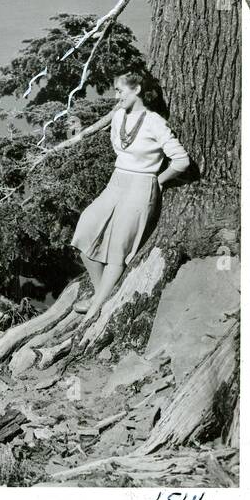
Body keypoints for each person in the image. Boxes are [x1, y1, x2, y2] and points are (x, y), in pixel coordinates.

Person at [71, 69, 190, 317]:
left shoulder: (155, 122)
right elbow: (119, 147)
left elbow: (181, 160)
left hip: (141, 186)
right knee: (84, 233)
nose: (117, 96)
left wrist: (159, 179)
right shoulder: (118, 117)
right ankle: (100, 293)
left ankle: (95, 309)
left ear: (136, 90)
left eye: (119, 91)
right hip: (116, 182)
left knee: (118, 251)